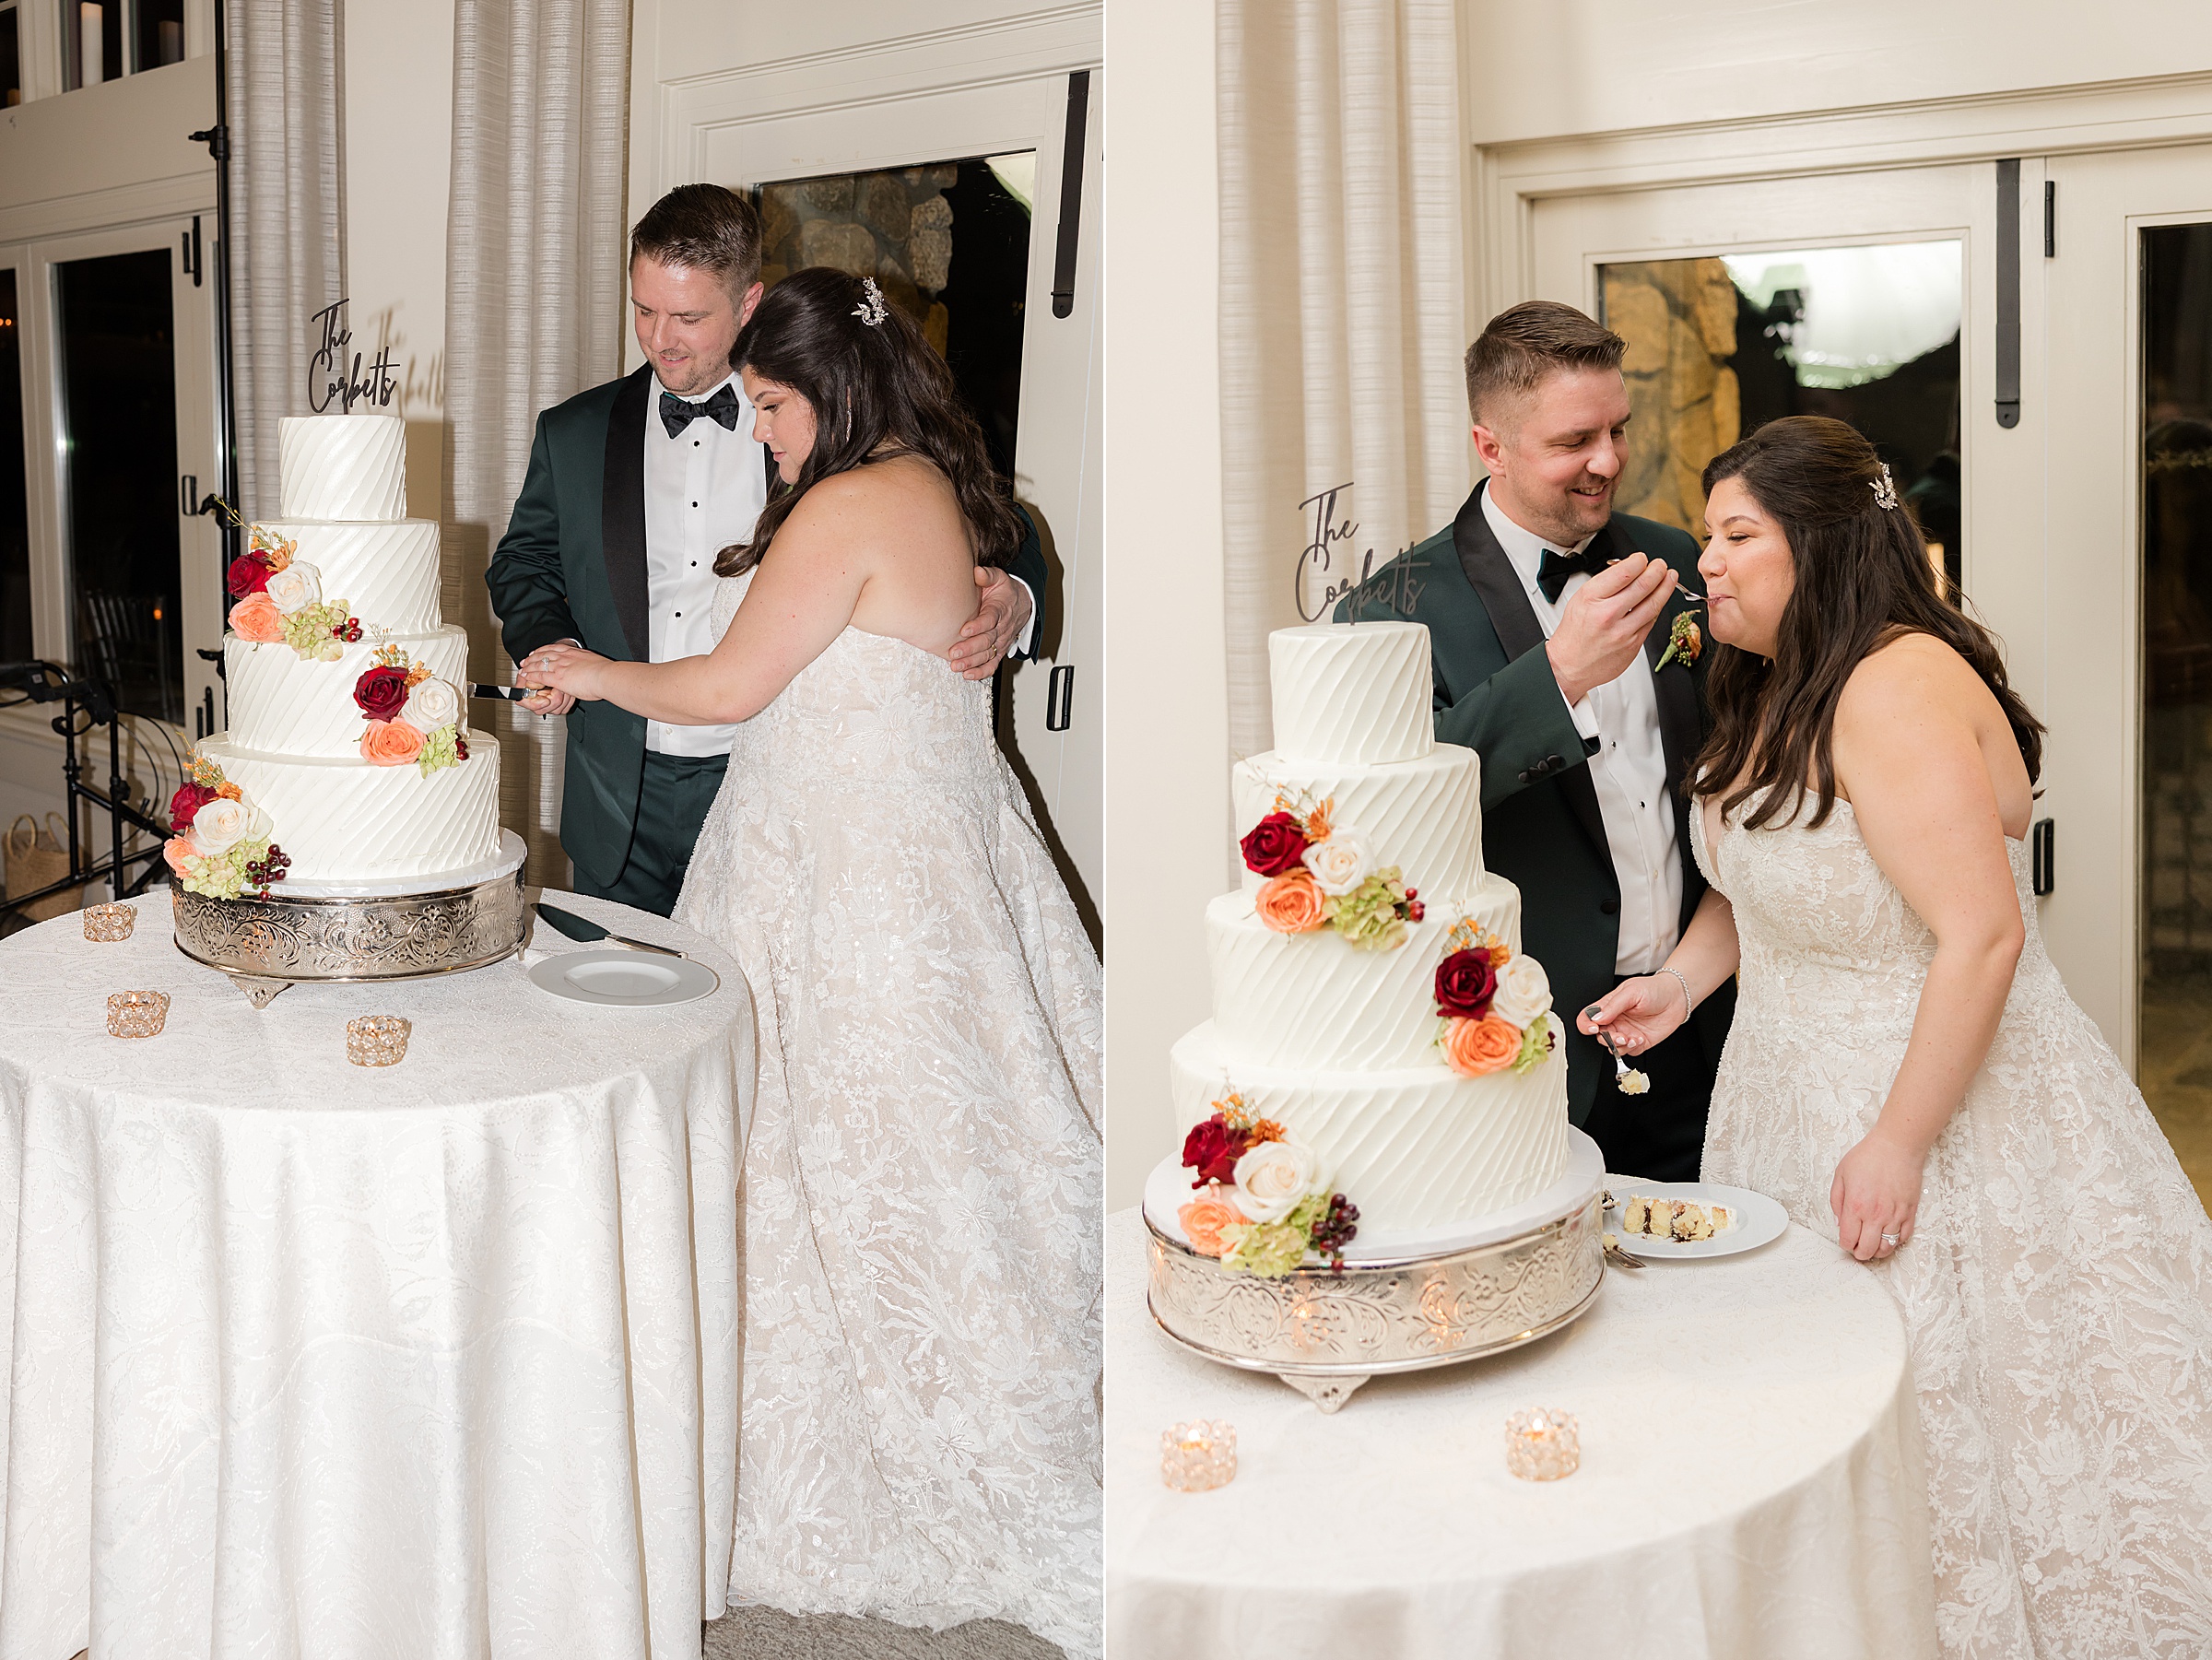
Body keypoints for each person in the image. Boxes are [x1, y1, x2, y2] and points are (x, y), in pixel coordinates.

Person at [524, 268, 1101, 1656]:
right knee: (922, 1161)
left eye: (772, 405)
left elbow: (727, 686)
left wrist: (586, 672)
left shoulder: (846, 501)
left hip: (852, 892)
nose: (763, 431)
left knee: (847, 1153)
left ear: (830, 389)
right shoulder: (941, 489)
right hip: (911, 865)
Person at [1582, 415, 2212, 1655]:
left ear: (1821, 544)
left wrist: (1902, 1141)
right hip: (1785, 1091)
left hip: (1939, 1106)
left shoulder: (1899, 685)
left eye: (1737, 534)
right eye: (1709, 533)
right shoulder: (1773, 682)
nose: (1706, 560)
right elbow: (1764, 879)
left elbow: (1982, 937)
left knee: (1964, 1415)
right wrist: (1680, 983)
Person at [487, 183, 1049, 914]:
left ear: (749, 304)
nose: (661, 338)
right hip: (620, 792)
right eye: (644, 309)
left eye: (688, 316)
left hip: (771, 783)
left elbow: (999, 519)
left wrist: (1016, 593)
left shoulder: (830, 428)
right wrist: (558, 646)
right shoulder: (575, 432)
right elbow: (523, 564)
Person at [1341, 300, 1732, 1180]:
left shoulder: (1672, 560)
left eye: (1617, 430)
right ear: (1492, 448)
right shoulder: (1388, 607)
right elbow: (1380, 823)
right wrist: (1555, 677)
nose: (1608, 462)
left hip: (1698, 1027)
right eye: (1573, 442)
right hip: (1520, 1052)